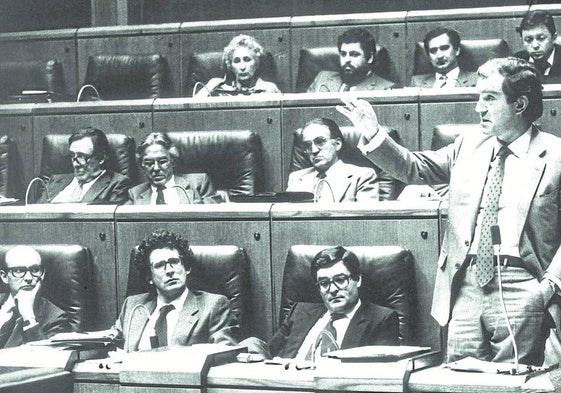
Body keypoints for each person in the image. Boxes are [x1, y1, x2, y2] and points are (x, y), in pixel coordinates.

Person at [338, 57, 561, 366]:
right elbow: (412, 168)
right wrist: (374, 133)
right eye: (478, 97)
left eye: (489, 98)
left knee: (513, 381)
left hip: (522, 284)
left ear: (520, 103)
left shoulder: (555, 155)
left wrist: (548, 285)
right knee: (458, 379)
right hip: (464, 282)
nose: (478, 108)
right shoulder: (468, 144)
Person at [244, 246, 399, 360]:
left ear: (357, 279)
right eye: (324, 283)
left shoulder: (381, 319)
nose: (332, 289)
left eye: (340, 280)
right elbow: (270, 352)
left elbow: (377, 375)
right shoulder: (299, 312)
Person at [111, 229, 239, 351]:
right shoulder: (132, 305)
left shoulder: (213, 306)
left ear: (187, 268)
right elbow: (107, 345)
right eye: (160, 265)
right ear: (149, 277)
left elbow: (224, 354)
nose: (170, 270)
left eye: (174, 262)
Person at [286, 118, 379, 202]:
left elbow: (366, 219)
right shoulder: (296, 178)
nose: (314, 150)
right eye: (307, 145)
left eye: (320, 142)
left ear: (337, 144)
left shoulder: (362, 176)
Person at [0, 245, 70, 348]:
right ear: (4, 276)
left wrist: (29, 317)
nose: (28, 278)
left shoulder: (56, 318)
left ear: (42, 275)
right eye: (19, 270)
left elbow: (48, 360)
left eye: (35, 270)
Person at [38, 127, 132, 204]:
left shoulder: (117, 184)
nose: (75, 164)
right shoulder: (55, 181)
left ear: (101, 158)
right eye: (72, 156)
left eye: (82, 157)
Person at [127, 132, 222, 205]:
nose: (156, 168)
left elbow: (215, 222)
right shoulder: (135, 193)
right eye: (149, 163)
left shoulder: (198, 183)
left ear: (172, 161)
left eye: (162, 161)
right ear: (142, 166)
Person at [307, 28, 396, 93]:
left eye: (354, 54)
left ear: (370, 58)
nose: (347, 60)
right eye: (343, 54)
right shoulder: (322, 78)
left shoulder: (385, 89)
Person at [195, 34, 281, 97]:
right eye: (236, 61)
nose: (242, 67)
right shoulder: (215, 86)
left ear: (257, 63)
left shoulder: (269, 89)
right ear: (230, 66)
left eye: (247, 60)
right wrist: (210, 87)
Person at [410, 27, 477, 88]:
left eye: (444, 48)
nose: (439, 56)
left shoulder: (476, 80)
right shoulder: (417, 83)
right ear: (429, 56)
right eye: (433, 51)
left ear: (457, 50)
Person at [515, 10, 561, 83]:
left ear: (554, 38)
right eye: (528, 40)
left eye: (541, 38)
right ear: (522, 40)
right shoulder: (515, 63)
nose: (535, 46)